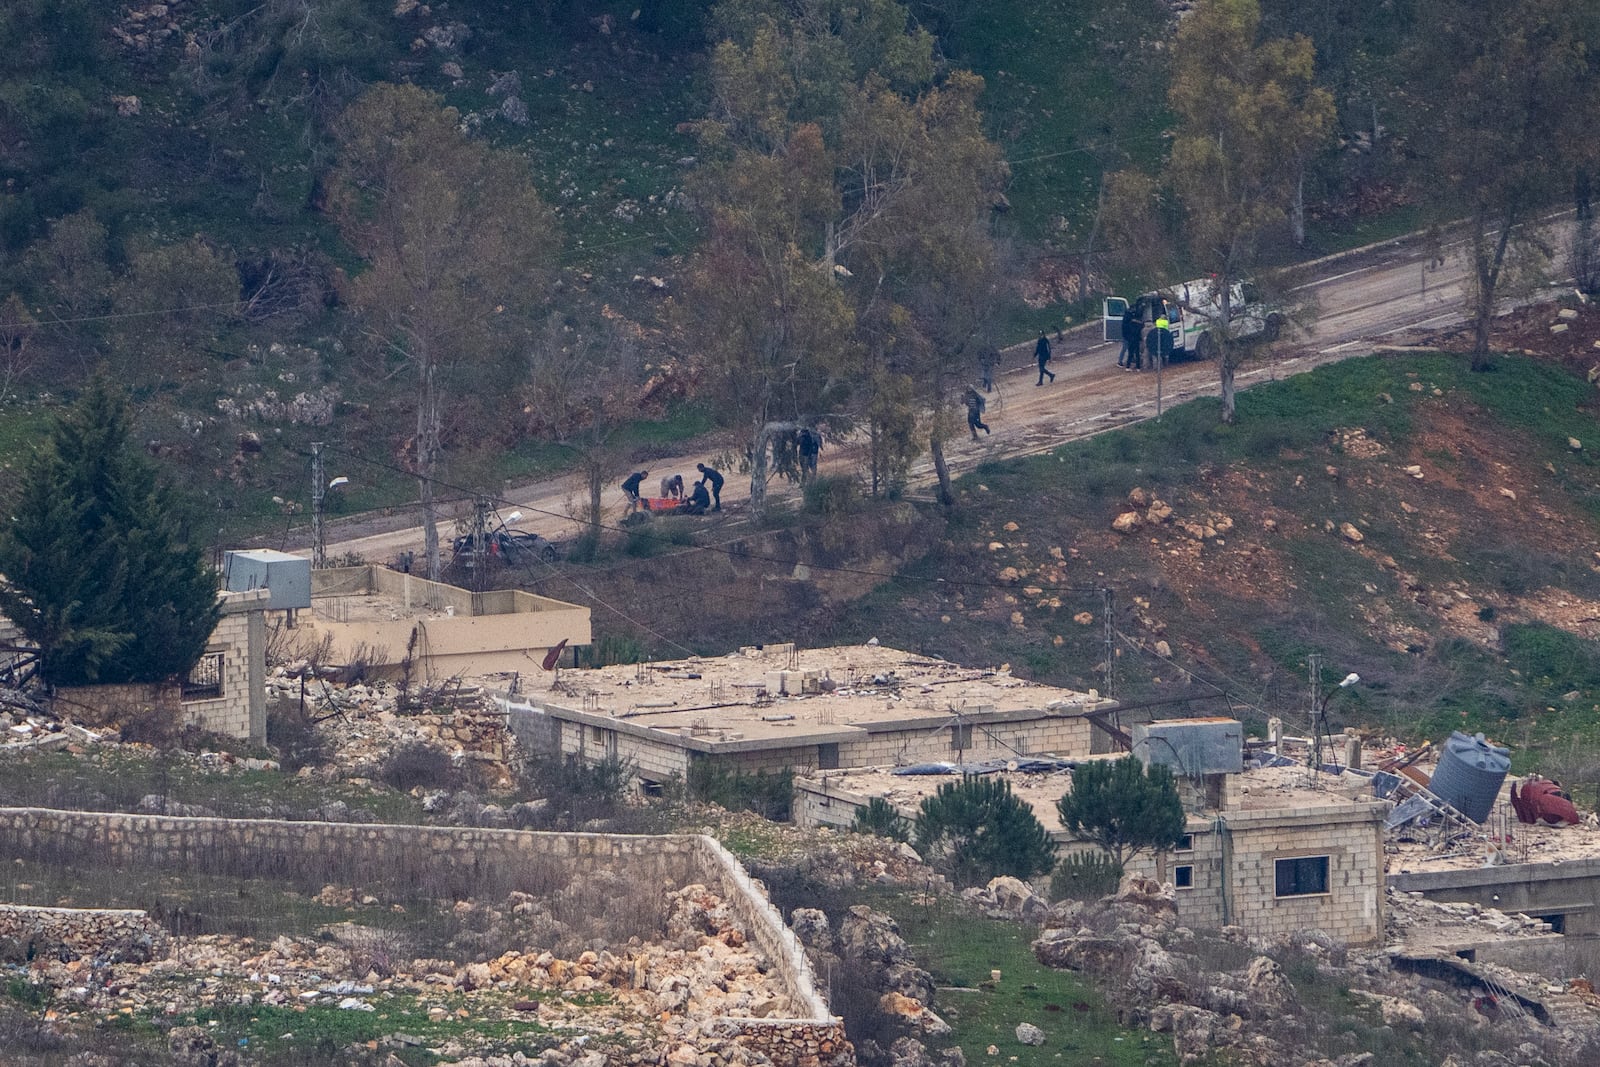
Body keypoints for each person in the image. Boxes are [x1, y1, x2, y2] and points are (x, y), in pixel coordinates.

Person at [1120, 304, 1142, 370]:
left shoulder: (1128, 320)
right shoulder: (1134, 321)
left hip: (1130, 338)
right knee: (1136, 353)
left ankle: (1128, 366)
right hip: (1134, 339)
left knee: (1130, 352)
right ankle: (1138, 367)